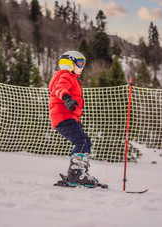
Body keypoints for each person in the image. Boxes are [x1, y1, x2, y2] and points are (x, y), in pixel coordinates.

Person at [49, 50, 99, 187]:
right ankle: (75, 174)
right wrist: (66, 98)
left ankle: (79, 172)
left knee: (83, 141)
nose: (82, 67)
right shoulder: (66, 76)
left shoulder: (70, 78)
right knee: (83, 141)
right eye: (80, 63)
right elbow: (59, 88)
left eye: (83, 64)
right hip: (63, 116)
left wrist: (76, 121)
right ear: (69, 63)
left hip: (65, 117)